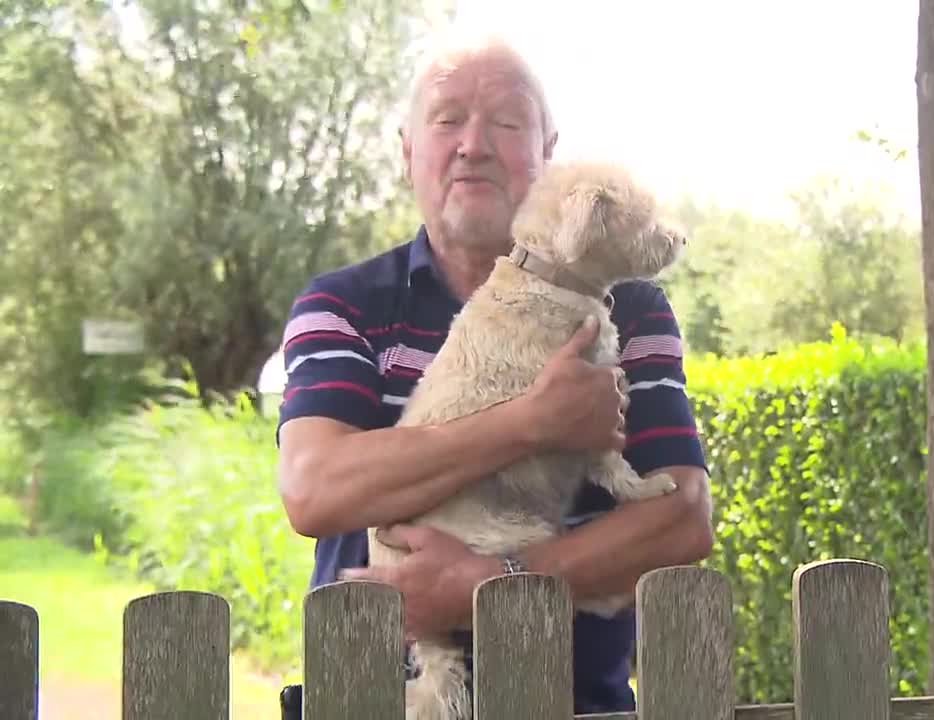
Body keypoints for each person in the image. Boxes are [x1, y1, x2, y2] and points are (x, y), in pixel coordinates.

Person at [273, 31, 712, 715]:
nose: (473, 144)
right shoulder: (344, 305)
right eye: (447, 120)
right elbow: (315, 491)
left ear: (547, 152)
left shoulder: (629, 306)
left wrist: (493, 583)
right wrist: (531, 423)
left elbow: (682, 518)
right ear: (408, 152)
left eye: (506, 123)